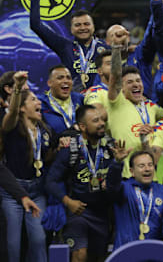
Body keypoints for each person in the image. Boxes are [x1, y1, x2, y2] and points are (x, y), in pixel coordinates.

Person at [45, 104, 115, 262]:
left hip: (103, 212)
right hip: (78, 212)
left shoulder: (111, 147)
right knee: (79, 255)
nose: (102, 123)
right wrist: (68, 201)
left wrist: (117, 166)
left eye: (102, 119)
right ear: (83, 126)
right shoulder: (71, 148)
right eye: (95, 120)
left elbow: (116, 183)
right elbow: (51, 181)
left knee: (98, 257)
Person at [0, 71, 52, 262]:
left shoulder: (43, 128)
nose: (38, 102)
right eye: (33, 99)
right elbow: (11, 112)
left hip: (37, 191)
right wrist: (16, 90)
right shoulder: (12, 127)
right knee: (12, 245)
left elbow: (48, 156)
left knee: (39, 239)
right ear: (22, 108)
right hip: (13, 192)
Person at [29, 0, 110, 91]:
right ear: (71, 29)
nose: (82, 28)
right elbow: (36, 25)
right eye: (77, 25)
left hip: (100, 101)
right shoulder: (64, 46)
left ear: (93, 26)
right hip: (73, 101)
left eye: (86, 24)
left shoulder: (105, 48)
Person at [107, 47, 163, 177]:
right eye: (129, 82)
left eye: (138, 81)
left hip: (151, 175)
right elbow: (115, 77)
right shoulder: (116, 103)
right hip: (125, 175)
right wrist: (117, 49)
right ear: (121, 88)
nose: (135, 85)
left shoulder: (151, 106)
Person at [106, 146, 163, 249]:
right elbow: (112, 184)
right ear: (132, 171)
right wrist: (117, 163)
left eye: (150, 165)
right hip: (126, 253)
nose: (147, 169)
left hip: (154, 253)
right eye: (141, 166)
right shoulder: (124, 189)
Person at [38, 65, 84, 134]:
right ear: (50, 83)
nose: (66, 81)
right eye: (60, 78)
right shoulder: (40, 103)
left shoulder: (80, 99)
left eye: (68, 78)